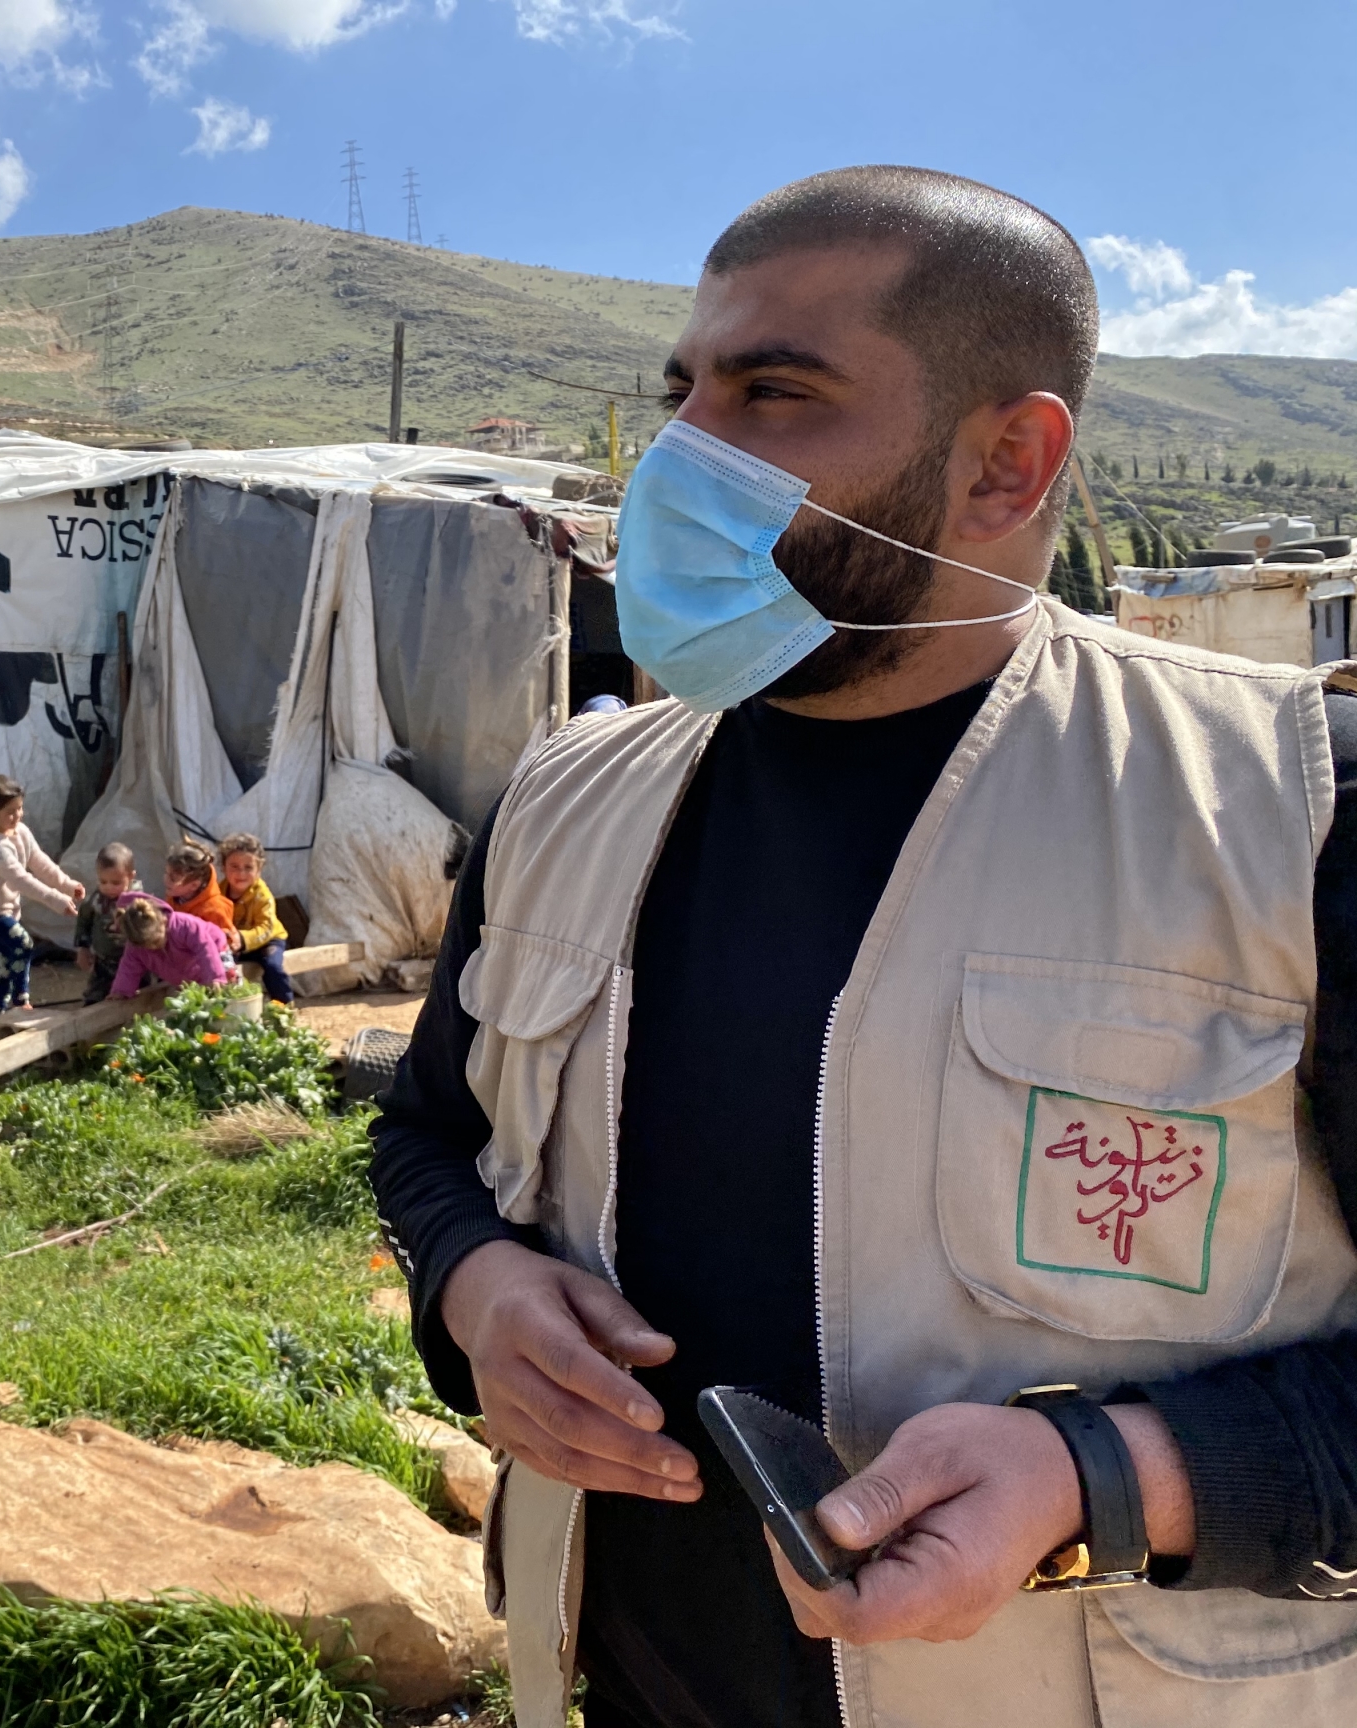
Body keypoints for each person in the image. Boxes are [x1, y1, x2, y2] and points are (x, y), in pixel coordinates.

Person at [370, 165, 1357, 1728]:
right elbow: (428, 1135)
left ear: (1008, 464)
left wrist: (1107, 1475)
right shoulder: (568, 795)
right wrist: (475, 1285)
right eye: (683, 388)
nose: (685, 454)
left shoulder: (1290, 819)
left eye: (775, 393)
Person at [0, 774, 82, 1019]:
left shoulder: (19, 831)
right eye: (10, 812)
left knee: (9, 957)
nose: (18, 815)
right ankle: (20, 999)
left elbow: (40, 862)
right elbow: (20, 879)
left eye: (20, 808)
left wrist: (67, 884)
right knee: (22, 944)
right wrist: (56, 900)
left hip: (5, 908)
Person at [107, 897, 235, 997]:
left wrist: (215, 978)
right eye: (146, 945)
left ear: (163, 921)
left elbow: (206, 949)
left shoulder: (184, 926)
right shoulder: (136, 945)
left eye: (156, 940)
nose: (152, 947)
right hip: (184, 969)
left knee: (227, 983)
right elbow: (129, 968)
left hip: (216, 951)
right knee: (195, 995)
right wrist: (121, 991)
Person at [218, 832, 291, 1005]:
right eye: (234, 866)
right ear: (223, 867)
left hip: (268, 940)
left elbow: (267, 927)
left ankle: (283, 1009)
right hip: (234, 944)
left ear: (259, 869)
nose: (241, 873)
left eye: (248, 867)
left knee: (273, 967)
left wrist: (242, 939)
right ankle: (232, 1008)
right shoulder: (218, 893)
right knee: (223, 967)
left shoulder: (262, 895)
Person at [72, 842, 147, 1006]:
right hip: (103, 963)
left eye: (116, 882)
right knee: (94, 999)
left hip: (132, 963)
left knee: (137, 999)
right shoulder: (96, 900)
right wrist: (83, 948)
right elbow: (84, 921)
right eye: (103, 881)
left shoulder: (139, 903)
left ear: (131, 876)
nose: (108, 887)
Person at [162, 839, 235, 942]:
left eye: (173, 878)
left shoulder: (214, 911)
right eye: (166, 873)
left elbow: (224, 943)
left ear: (194, 885)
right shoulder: (174, 898)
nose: (166, 880)